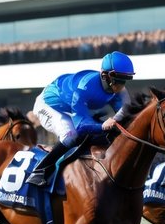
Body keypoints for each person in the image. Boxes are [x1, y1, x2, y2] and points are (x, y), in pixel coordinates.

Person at [27, 52, 136, 186]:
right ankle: (39, 171)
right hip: (48, 105)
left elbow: (125, 116)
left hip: (70, 108)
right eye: (117, 79)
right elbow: (81, 126)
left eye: (124, 80)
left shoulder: (118, 90)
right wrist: (102, 126)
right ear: (104, 75)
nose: (120, 86)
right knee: (71, 134)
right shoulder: (84, 88)